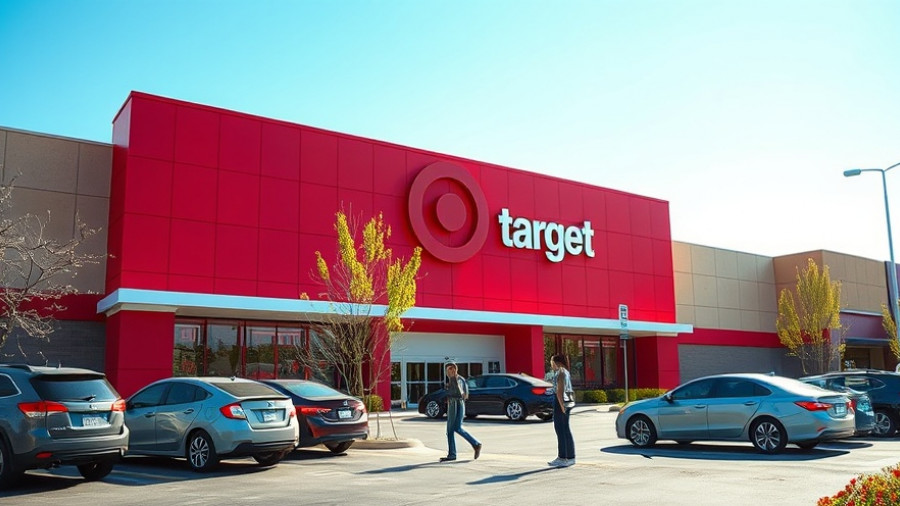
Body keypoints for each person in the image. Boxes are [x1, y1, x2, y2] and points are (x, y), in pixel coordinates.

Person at [440, 362, 483, 462]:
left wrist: (452, 390)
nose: (448, 371)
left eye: (449, 369)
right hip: (460, 404)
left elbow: (461, 393)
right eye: (447, 369)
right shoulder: (461, 379)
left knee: (450, 430)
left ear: (454, 369)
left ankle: (452, 454)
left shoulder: (455, 379)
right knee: (457, 428)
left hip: (454, 404)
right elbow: (465, 395)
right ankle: (476, 444)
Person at [548, 354, 575, 467]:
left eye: (552, 362)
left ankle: (563, 457)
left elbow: (559, 392)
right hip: (568, 401)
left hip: (561, 403)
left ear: (557, 362)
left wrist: (562, 407)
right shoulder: (566, 372)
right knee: (565, 429)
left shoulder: (561, 372)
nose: (551, 364)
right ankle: (570, 457)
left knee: (560, 430)